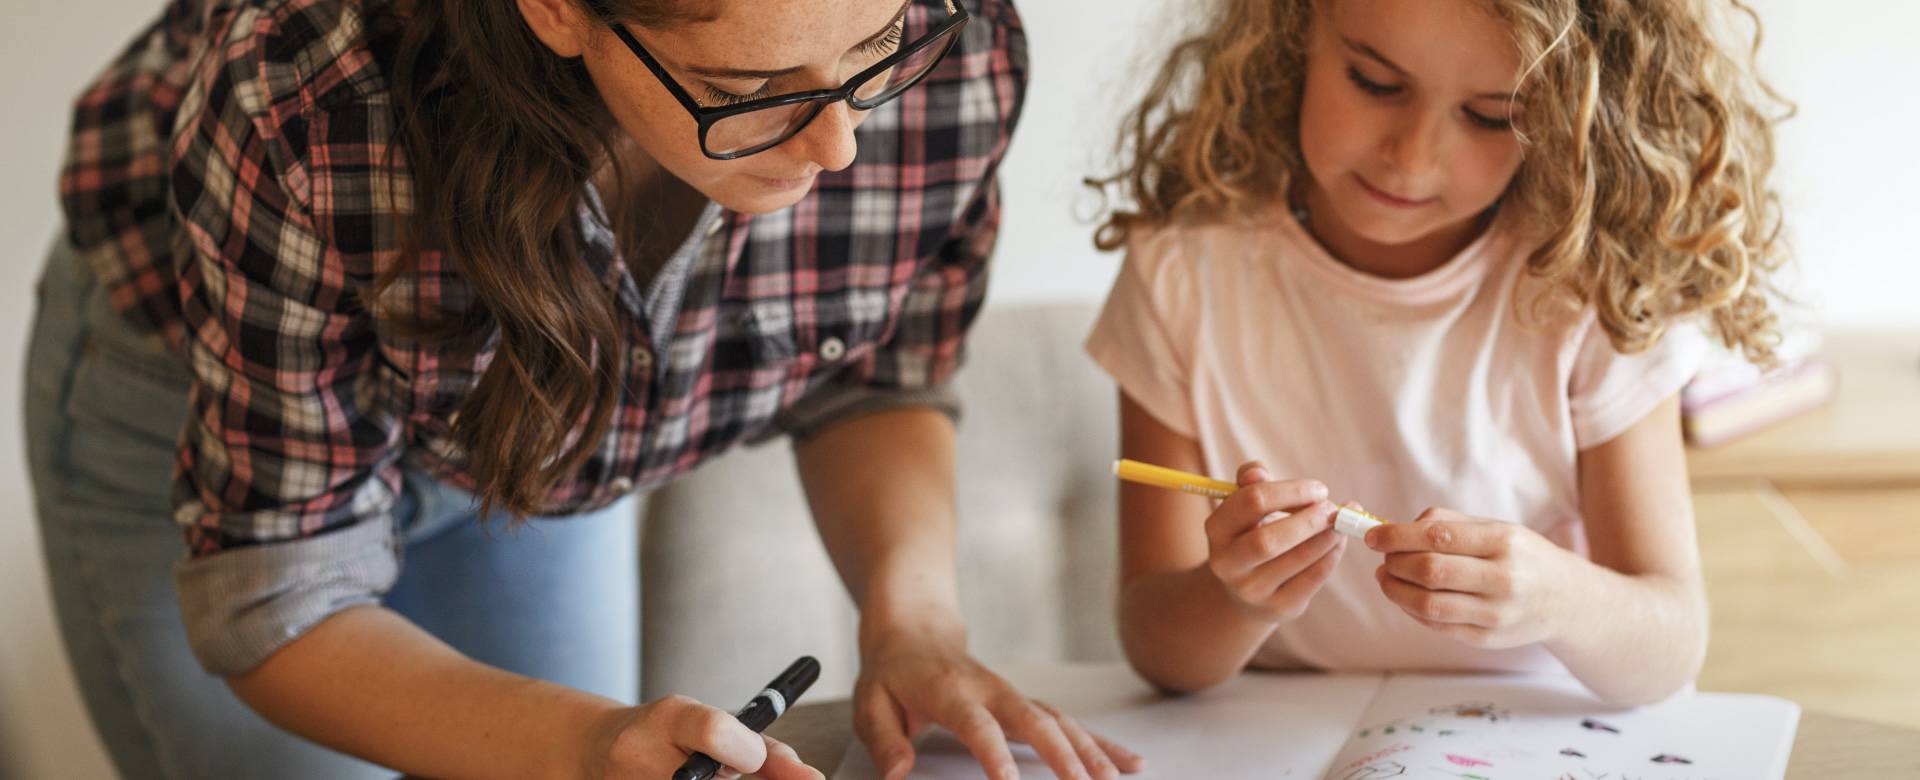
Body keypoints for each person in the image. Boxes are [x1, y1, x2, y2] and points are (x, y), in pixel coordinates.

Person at [27, 0, 1142, 776]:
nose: (841, 147)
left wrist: (916, 624)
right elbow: (277, 588)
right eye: (749, 90)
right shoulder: (308, 88)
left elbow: (875, 372)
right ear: (558, 10)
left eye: (873, 44)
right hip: (197, 395)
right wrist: (577, 745)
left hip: (532, 433)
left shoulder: (967, 46)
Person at [1085, 0, 1787, 706]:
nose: (1412, 157)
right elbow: (1155, 648)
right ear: (1289, 36)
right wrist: (1235, 598)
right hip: (1265, 734)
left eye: (1488, 116)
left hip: (1526, 733)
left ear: (1569, 113)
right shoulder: (1181, 272)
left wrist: (1560, 601)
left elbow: (1672, 643)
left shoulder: (1593, 284)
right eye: (1376, 83)